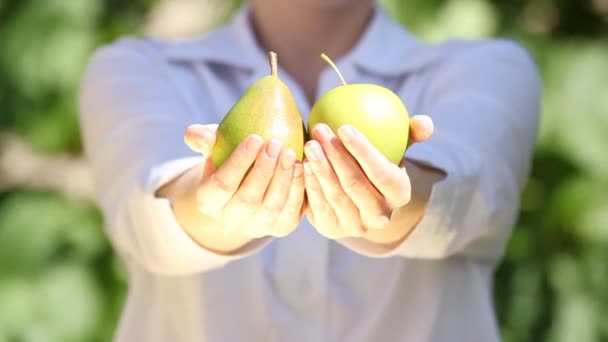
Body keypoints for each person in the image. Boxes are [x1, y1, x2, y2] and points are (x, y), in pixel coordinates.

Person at [79, 0, 541, 341]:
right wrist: (215, 207)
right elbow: (144, 219)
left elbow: (471, 198)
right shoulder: (135, 68)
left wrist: (395, 200)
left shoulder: (484, 69)